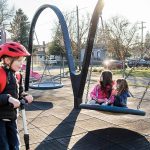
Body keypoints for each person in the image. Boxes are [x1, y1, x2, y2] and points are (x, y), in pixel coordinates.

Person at [0, 42, 33, 150]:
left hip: (11, 118)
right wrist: (8, 98)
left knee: (15, 145)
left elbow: (20, 93)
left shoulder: (18, 75)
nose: (21, 64)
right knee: (3, 146)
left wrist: (25, 96)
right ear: (7, 60)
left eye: (22, 61)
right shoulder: (0, 74)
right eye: (19, 60)